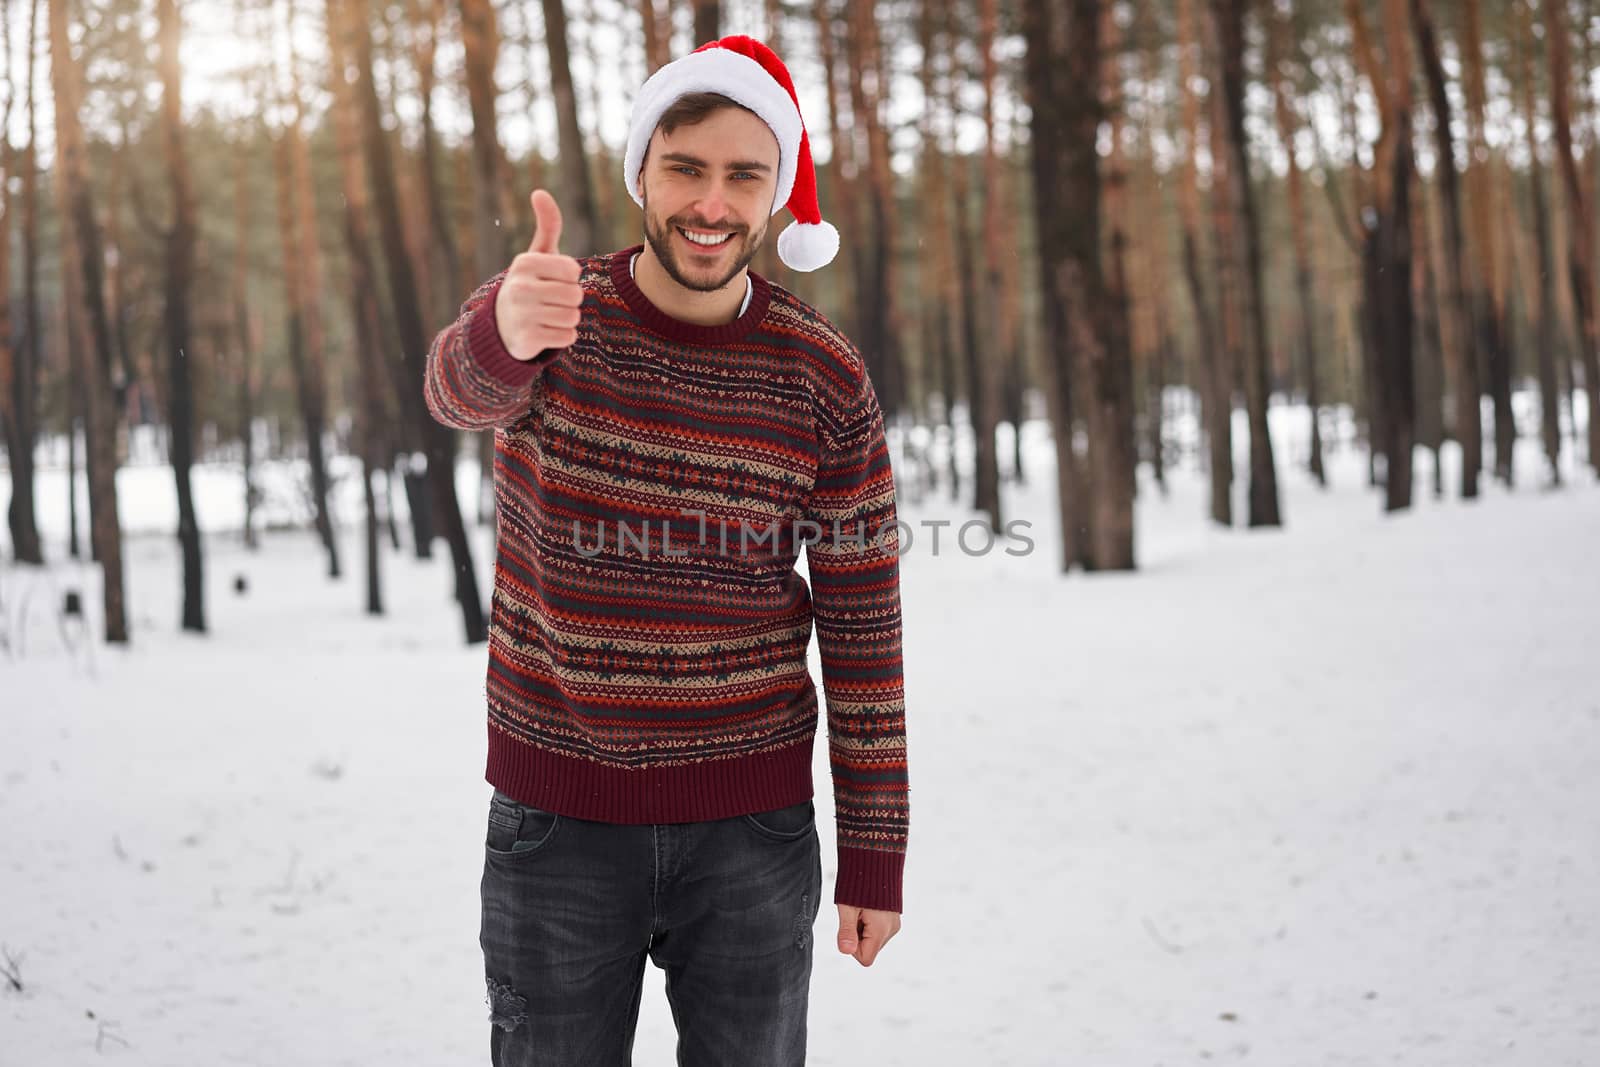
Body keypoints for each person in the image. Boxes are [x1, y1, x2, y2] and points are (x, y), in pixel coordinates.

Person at [423, 34, 909, 1067]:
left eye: (744, 174)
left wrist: (876, 849)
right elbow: (458, 391)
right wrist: (504, 329)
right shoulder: (554, 310)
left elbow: (864, 621)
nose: (712, 203)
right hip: (558, 819)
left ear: (777, 192)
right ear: (640, 169)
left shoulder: (822, 373)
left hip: (752, 833)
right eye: (685, 167)